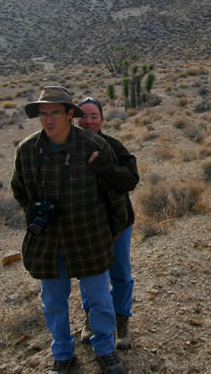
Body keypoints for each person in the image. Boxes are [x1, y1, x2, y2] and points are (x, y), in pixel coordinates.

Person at [11, 86, 129, 374]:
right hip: (48, 241)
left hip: (88, 236)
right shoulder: (27, 150)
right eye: (43, 114)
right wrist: (38, 216)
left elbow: (114, 194)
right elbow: (20, 190)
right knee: (52, 301)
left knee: (100, 298)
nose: (48, 120)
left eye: (55, 113)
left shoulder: (93, 145)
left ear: (69, 114)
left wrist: (112, 230)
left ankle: (105, 349)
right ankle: (63, 353)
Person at [76, 96, 139, 350]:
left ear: (102, 119)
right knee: (88, 273)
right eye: (84, 115)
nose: (89, 121)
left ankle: (121, 319)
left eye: (94, 116)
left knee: (120, 272)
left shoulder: (113, 146)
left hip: (118, 221)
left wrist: (106, 166)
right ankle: (91, 317)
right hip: (84, 225)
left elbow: (130, 180)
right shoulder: (66, 148)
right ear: (74, 117)